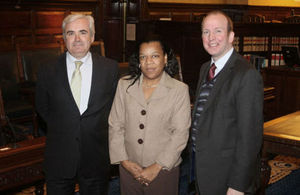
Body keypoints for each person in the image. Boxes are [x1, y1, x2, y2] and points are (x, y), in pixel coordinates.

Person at [35, 14, 119, 195]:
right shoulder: (46, 70)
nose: (77, 39)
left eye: (83, 32)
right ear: (64, 38)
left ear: (92, 36)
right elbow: (42, 107)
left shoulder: (110, 69)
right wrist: (65, 126)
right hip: (59, 157)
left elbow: (114, 109)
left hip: (96, 157)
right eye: (71, 33)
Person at [191, 10, 263, 195]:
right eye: (206, 32)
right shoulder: (205, 68)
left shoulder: (246, 75)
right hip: (202, 170)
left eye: (218, 31)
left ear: (231, 36)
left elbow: (250, 137)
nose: (211, 37)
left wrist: (238, 185)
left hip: (227, 176)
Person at [109, 38, 191, 195]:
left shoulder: (179, 90)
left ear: (165, 58)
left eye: (155, 56)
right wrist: (124, 161)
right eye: (143, 57)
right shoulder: (124, 85)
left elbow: (180, 133)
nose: (149, 62)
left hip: (163, 171)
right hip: (128, 169)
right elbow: (115, 124)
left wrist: (157, 166)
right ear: (138, 61)